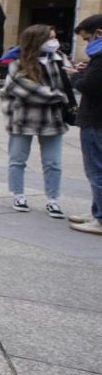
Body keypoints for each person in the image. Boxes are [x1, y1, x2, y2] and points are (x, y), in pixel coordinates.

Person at [2, 25, 72, 217]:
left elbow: (67, 84)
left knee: (53, 162)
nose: (54, 42)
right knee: (18, 160)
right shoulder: (17, 62)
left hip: (52, 119)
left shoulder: (59, 59)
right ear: (36, 40)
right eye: (50, 38)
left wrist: (76, 75)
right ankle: (18, 195)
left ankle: (53, 199)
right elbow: (25, 90)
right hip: (23, 117)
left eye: (55, 37)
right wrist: (59, 96)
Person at [70, 15, 102, 234]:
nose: (87, 43)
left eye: (87, 38)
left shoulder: (100, 59)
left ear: (99, 33)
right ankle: (96, 211)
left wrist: (76, 78)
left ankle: (100, 218)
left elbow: (89, 86)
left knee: (96, 170)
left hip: (96, 119)